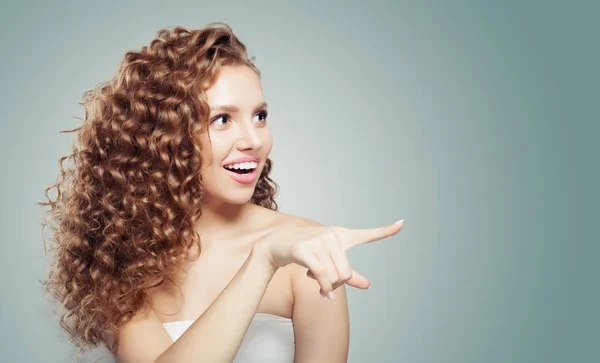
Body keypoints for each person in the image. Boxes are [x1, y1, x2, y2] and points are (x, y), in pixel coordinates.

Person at [39, 22, 405, 363]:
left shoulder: (309, 255)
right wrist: (261, 262)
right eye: (222, 120)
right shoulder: (126, 262)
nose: (253, 140)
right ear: (164, 139)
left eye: (259, 116)